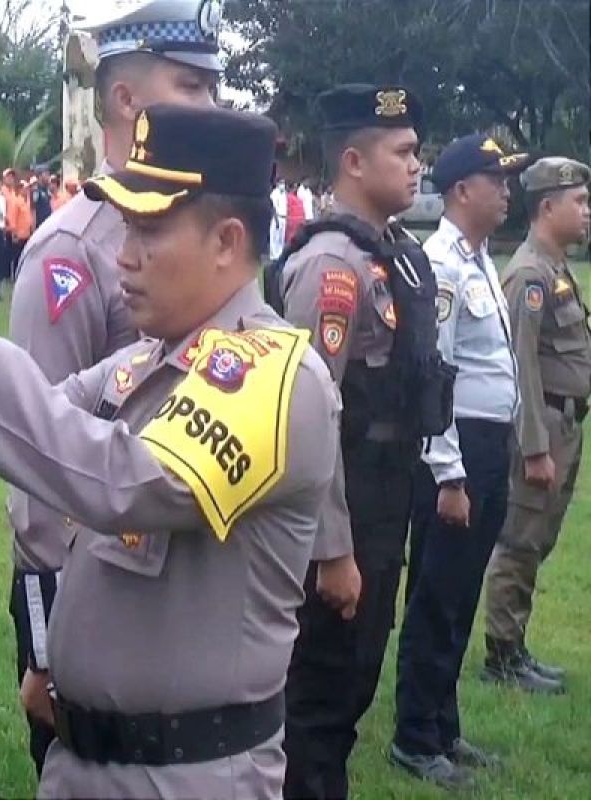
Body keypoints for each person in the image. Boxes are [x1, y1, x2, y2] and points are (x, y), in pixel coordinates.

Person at [0, 104, 339, 799]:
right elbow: (22, 426)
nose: (124, 257)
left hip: (189, 775)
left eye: (148, 231)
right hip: (87, 761)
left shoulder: (274, 376)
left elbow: (122, 480)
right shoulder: (148, 363)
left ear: (228, 242)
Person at [5, 0, 226, 774]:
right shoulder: (71, 253)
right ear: (127, 103)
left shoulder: (204, 234)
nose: (213, 105)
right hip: (86, 588)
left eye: (214, 87)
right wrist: (45, 646)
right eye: (191, 87)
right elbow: (29, 453)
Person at [271, 84, 451, 800]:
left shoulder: (395, 255)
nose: (417, 166)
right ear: (353, 160)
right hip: (345, 502)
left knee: (352, 686)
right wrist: (333, 550)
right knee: (320, 697)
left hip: (387, 491)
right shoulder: (332, 268)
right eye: (402, 153)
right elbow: (311, 416)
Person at [390, 134, 529, 788]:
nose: (506, 190)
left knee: (462, 592)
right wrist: (448, 472)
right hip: (458, 450)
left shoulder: (477, 260)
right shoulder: (441, 263)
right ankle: (415, 736)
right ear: (461, 190)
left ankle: (444, 727)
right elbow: (432, 373)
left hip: (488, 443)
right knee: (437, 597)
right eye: (495, 179)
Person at [481, 156, 591, 692]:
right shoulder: (529, 273)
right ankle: (502, 655)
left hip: (565, 421)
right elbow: (520, 366)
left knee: (537, 539)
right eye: (580, 202)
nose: (587, 211)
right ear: (548, 207)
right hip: (543, 421)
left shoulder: (554, 267)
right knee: (521, 539)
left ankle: (515, 646)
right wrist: (533, 447)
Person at [269, 178, 288, 260]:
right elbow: (273, 207)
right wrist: (276, 219)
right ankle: (273, 256)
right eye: (281, 183)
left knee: (281, 238)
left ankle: (279, 255)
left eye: (284, 183)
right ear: (277, 183)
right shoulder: (275, 193)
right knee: (274, 237)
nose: (283, 184)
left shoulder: (284, 194)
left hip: (284, 218)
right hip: (277, 217)